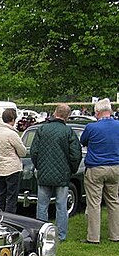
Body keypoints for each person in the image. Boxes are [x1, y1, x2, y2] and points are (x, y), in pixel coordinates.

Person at [30, 103, 82, 241]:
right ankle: (60, 235)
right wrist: (71, 169)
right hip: (62, 174)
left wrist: (39, 166)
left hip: (44, 172)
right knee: (61, 206)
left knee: (42, 205)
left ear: (54, 113)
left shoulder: (42, 130)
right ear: (68, 116)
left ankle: (41, 233)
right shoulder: (68, 132)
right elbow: (76, 154)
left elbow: (34, 151)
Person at [79, 98, 119, 243]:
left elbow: (83, 142)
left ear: (97, 112)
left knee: (94, 203)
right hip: (115, 167)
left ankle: (93, 237)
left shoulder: (91, 127)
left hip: (96, 167)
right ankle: (115, 235)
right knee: (114, 201)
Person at [0, 108, 27, 213]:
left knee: (1, 195)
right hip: (12, 168)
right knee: (11, 197)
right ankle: (9, 219)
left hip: (1, 167)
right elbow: (22, 152)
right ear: (13, 119)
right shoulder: (11, 134)